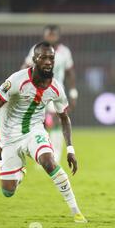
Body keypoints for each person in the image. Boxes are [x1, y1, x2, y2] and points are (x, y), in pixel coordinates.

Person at [0, 42, 87, 223]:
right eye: (43, 58)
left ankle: (76, 212)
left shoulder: (56, 88)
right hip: (8, 137)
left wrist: (71, 150)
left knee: (49, 162)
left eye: (51, 58)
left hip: (34, 131)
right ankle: (20, 170)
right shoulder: (17, 80)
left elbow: (64, 118)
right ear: (34, 60)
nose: (48, 62)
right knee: (8, 191)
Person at [22, 25, 77, 164]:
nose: (51, 37)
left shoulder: (65, 52)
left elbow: (70, 72)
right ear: (44, 36)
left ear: (58, 36)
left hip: (56, 92)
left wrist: (73, 92)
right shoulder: (37, 49)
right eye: (48, 35)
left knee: (57, 120)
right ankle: (42, 154)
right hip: (38, 91)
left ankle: (55, 155)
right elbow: (26, 66)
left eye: (53, 35)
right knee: (38, 123)